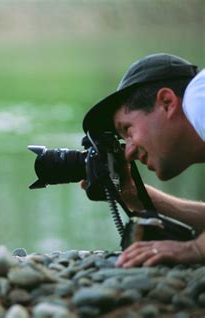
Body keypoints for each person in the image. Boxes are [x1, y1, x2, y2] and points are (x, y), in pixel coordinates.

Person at [82, 53, 205, 267]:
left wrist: (196, 248)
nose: (128, 152)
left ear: (167, 103)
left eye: (127, 130)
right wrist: (135, 195)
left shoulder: (198, 97)